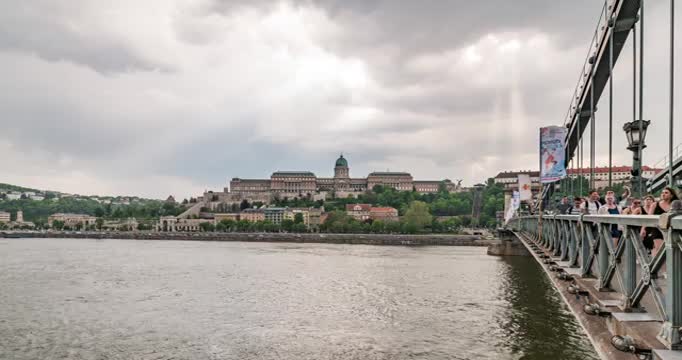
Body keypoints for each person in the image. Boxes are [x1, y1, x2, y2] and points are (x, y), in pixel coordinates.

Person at [648, 187, 680, 255]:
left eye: (666, 193)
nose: (663, 194)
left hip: (671, 230)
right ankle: (659, 264)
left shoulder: (676, 205)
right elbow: (649, 218)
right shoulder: (655, 205)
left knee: (671, 251)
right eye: (662, 192)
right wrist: (644, 229)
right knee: (660, 250)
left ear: (671, 195)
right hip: (657, 229)